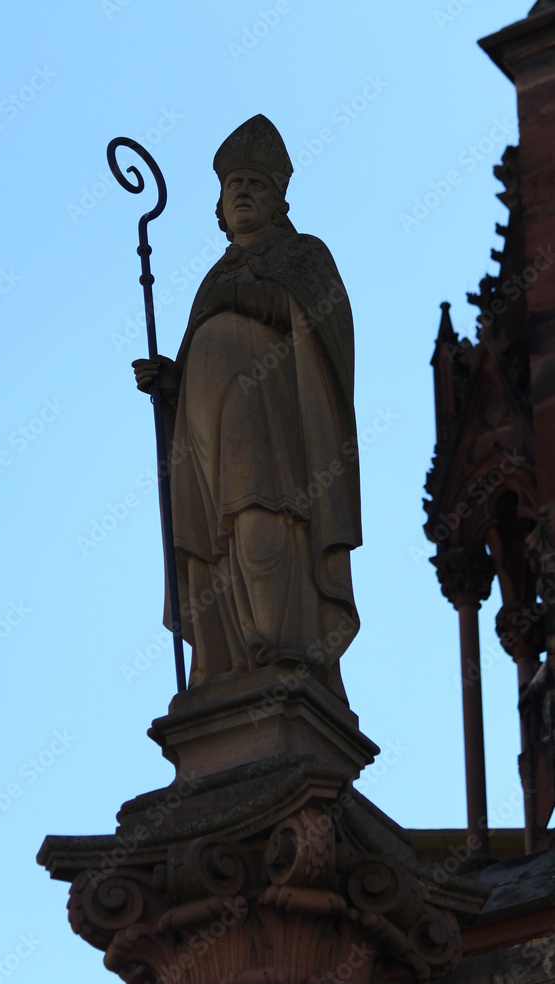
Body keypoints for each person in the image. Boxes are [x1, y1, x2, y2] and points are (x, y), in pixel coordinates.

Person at [133, 115, 361, 702]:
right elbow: (197, 360)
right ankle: (225, 663)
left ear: (280, 199)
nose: (241, 194)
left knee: (265, 522)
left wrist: (250, 296)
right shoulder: (214, 278)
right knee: (215, 544)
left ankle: (285, 650)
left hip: (271, 431)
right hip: (206, 439)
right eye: (233, 184)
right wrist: (169, 382)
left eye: (255, 185)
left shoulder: (304, 256)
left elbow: (324, 325)